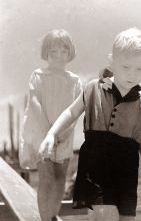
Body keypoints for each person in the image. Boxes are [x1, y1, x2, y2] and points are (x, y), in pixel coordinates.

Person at [39, 28, 141, 221]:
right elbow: (71, 112)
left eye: (140, 69)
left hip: (126, 171)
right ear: (112, 61)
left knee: (126, 218)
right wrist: (51, 134)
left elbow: (140, 136)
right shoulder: (93, 88)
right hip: (98, 165)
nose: (133, 74)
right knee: (105, 215)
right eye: (126, 67)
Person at [19, 29, 82, 221]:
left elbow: (76, 110)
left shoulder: (74, 81)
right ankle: (45, 218)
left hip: (64, 134)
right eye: (53, 52)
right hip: (41, 130)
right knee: (47, 177)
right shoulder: (38, 75)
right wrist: (48, 133)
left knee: (60, 176)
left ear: (70, 53)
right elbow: (35, 103)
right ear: (46, 52)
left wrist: (62, 133)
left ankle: (53, 215)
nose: (58, 56)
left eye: (63, 51)